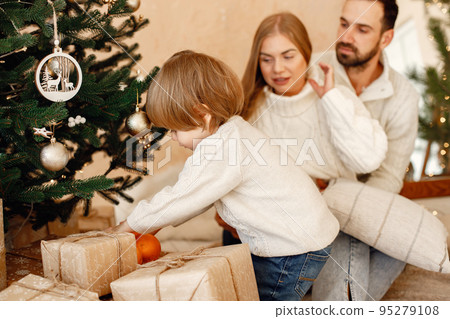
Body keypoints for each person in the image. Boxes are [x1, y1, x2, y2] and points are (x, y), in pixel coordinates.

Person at [111, 50, 340, 301]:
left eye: (175, 129)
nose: (173, 138)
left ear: (202, 114)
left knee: (263, 302)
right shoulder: (234, 132)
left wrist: (130, 225)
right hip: (303, 240)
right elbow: (194, 196)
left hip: (290, 251)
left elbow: (181, 197)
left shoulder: (219, 150)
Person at [219, 12, 389, 252]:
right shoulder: (247, 111)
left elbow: (367, 161)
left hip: (335, 218)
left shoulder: (335, 95)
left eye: (288, 56)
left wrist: (331, 101)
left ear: (306, 54)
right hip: (277, 227)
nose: (277, 69)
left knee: (363, 251)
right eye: (266, 59)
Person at [311, 0, 420, 301]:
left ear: (386, 38)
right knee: (347, 239)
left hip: (363, 207)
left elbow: (388, 177)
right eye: (344, 23)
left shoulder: (404, 98)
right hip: (312, 208)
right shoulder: (311, 72)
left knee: (401, 242)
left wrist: (348, 207)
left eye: (362, 29)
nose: (346, 37)